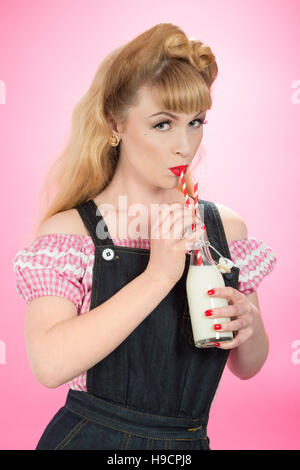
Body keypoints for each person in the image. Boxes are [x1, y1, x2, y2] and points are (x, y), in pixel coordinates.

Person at [13, 23, 276, 450]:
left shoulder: (224, 229)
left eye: (195, 122)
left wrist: (250, 324)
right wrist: (159, 274)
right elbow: (48, 364)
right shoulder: (72, 233)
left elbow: (249, 366)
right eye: (162, 124)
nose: (184, 145)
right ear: (116, 123)